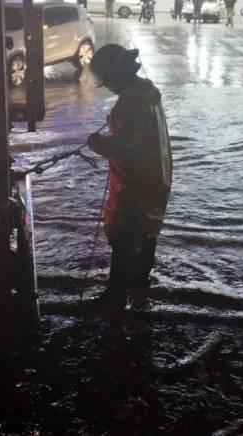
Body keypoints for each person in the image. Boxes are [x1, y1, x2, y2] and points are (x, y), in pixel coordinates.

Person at [84, 44, 173, 309]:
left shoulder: (129, 104)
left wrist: (98, 143)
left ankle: (115, 297)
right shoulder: (147, 90)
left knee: (123, 236)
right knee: (147, 230)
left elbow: (124, 147)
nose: (108, 87)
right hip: (158, 175)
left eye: (108, 81)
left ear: (117, 75)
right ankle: (139, 284)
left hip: (136, 182)